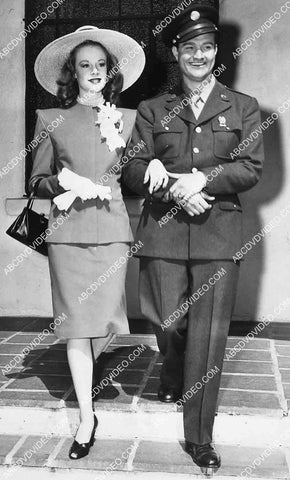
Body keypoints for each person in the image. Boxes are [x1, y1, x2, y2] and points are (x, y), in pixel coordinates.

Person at [123, 1, 264, 474]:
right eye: (189, 48)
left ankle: (198, 438)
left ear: (215, 51)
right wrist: (161, 178)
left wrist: (202, 180)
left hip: (218, 234)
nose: (198, 56)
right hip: (163, 230)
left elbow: (251, 168)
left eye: (206, 47)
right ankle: (172, 365)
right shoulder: (151, 108)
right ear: (176, 54)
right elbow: (133, 166)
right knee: (167, 320)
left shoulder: (243, 108)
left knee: (208, 336)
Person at [29, 26, 145, 460]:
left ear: (109, 72)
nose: (93, 71)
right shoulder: (49, 119)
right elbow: (36, 180)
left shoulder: (129, 119)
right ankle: (86, 416)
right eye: (85, 65)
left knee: (104, 322)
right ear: (72, 74)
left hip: (113, 234)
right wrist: (60, 180)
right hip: (68, 237)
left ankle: (86, 383)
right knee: (77, 325)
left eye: (100, 64)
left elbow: (134, 175)